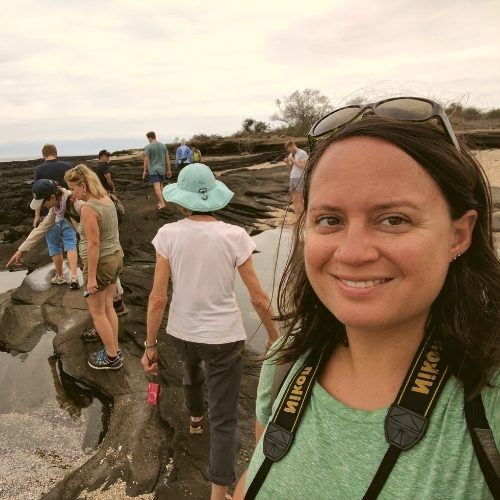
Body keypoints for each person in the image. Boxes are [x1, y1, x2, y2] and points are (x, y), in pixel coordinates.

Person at [235, 98, 500, 499]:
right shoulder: (287, 360)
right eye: (330, 220)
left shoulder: (487, 399)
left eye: (393, 219)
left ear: (459, 234)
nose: (353, 252)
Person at [141, 163, 279, 500]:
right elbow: (258, 296)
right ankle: (219, 493)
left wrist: (149, 346)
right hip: (224, 337)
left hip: (181, 330)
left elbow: (158, 297)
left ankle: (195, 419)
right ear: (214, 197)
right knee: (226, 418)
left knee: (190, 372)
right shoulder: (235, 235)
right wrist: (276, 337)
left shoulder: (168, 235)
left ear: (182, 201)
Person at [65, 165, 124, 370]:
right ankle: (114, 349)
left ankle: (111, 357)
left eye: (73, 188)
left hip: (101, 264)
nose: (72, 192)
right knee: (108, 307)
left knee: (97, 312)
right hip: (115, 257)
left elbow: (93, 244)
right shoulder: (106, 199)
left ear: (83, 185)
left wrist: (90, 277)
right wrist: (79, 200)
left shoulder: (90, 209)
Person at [6, 179, 80, 289]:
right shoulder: (58, 207)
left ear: (52, 197)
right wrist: (20, 251)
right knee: (71, 245)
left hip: (103, 244)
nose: (43, 206)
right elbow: (41, 228)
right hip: (95, 243)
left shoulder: (77, 202)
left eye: (43, 203)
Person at [33, 143, 72, 228]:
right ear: (56, 153)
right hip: (68, 209)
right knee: (70, 240)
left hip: (48, 211)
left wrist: (37, 216)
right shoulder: (68, 166)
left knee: (52, 240)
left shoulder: (38, 170)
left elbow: (37, 193)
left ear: (43, 154)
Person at [143, 131, 172, 210]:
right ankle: (161, 201)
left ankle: (162, 203)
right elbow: (167, 158)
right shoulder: (163, 146)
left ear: (150, 137)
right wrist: (169, 170)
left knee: (157, 187)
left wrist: (144, 171)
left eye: (148, 138)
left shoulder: (148, 147)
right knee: (161, 186)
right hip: (162, 169)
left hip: (153, 170)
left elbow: (146, 160)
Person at [283, 140, 308, 220]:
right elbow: (291, 168)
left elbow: (304, 166)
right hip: (292, 178)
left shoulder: (302, 153)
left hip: (299, 178)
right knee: (294, 200)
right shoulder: (291, 154)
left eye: (289, 149)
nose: (289, 151)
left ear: (293, 145)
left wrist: (293, 160)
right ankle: (298, 219)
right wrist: (287, 163)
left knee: (300, 200)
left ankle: (303, 219)